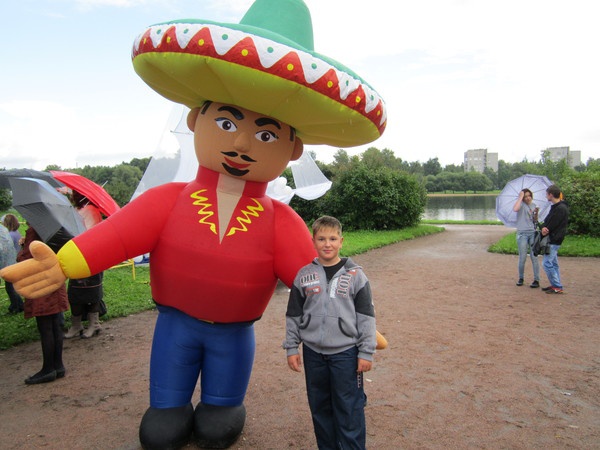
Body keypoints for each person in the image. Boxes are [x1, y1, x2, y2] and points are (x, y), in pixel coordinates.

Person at [0, 1, 386, 448]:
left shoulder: (280, 220)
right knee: (161, 426)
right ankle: (169, 406)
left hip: (234, 333)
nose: (241, 143)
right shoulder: (168, 200)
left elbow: (310, 275)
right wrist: (64, 263)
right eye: (225, 122)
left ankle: (222, 405)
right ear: (196, 119)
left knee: (219, 424)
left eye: (266, 135)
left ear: (292, 149)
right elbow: (117, 236)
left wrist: (349, 318)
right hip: (175, 326)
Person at [284, 216, 377, 450]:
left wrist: (366, 352)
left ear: (341, 241)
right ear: (313, 241)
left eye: (333, 239)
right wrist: (292, 347)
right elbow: (294, 314)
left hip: (346, 354)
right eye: (322, 239)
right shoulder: (303, 275)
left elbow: (366, 316)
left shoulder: (356, 275)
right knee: (320, 407)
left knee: (349, 408)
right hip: (313, 354)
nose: (327, 244)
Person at [17, 224, 69, 384]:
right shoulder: (58, 227)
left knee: (46, 327)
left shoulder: (35, 229)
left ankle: (48, 369)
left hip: (41, 283)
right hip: (55, 280)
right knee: (55, 325)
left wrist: (23, 247)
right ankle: (58, 365)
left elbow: (26, 259)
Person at [64, 190, 105, 339]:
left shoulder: (91, 211)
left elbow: (89, 234)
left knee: (92, 293)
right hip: (78, 257)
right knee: (74, 293)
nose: (71, 196)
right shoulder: (79, 210)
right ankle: (77, 325)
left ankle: (94, 324)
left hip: (91, 258)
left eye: (73, 194)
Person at [541, 185, 569, 294]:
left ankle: (557, 285)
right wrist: (543, 226)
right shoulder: (556, 207)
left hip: (554, 238)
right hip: (554, 237)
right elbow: (547, 221)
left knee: (547, 263)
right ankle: (555, 284)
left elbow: (553, 223)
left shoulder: (560, 208)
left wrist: (545, 229)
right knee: (553, 263)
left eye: (547, 194)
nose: (546, 196)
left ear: (551, 195)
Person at [512, 188, 540, 288]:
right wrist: (520, 197)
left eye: (529, 196)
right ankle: (521, 278)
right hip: (522, 233)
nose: (528, 198)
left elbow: (535, 220)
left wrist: (536, 213)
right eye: (525, 196)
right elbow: (515, 209)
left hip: (532, 232)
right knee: (522, 257)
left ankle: (536, 279)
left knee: (534, 257)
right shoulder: (520, 204)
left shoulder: (534, 205)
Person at [1, 214, 24, 313]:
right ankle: (18, 305)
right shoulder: (16, 233)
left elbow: (5, 249)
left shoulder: (9, 235)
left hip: (11, 263)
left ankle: (16, 306)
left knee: (10, 287)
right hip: (16, 261)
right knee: (11, 286)